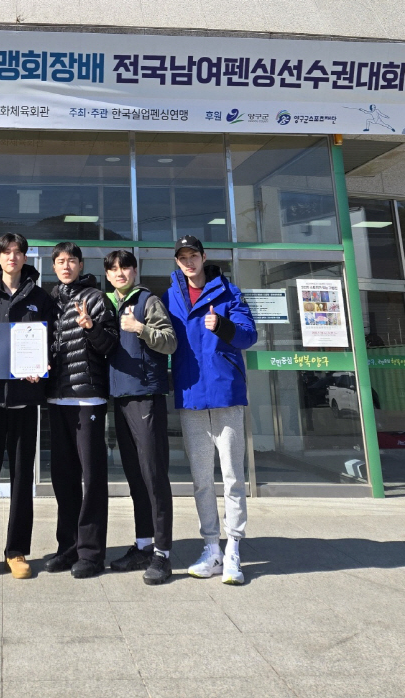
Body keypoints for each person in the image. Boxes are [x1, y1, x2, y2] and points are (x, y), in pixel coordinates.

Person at [163, 235, 257, 586]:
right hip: (190, 395)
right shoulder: (169, 296)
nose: (188, 262)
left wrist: (224, 326)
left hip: (225, 393)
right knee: (201, 480)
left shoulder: (228, 292)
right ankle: (210, 547)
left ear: (204, 257)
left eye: (193, 256)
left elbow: (249, 336)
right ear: (177, 261)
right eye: (182, 257)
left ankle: (233, 547)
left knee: (233, 477)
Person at [0, 233, 55, 581]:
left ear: (25, 257)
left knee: (21, 480)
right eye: (7, 253)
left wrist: (41, 369)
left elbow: (50, 344)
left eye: (19, 253)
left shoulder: (40, 298)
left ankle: (16, 551)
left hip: (24, 399)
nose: (13, 258)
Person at [45, 242, 118, 578]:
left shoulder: (95, 298)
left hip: (87, 398)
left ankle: (91, 553)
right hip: (57, 399)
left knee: (92, 478)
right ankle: (68, 547)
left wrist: (91, 327)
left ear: (80, 264)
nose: (65, 265)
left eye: (71, 260)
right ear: (54, 266)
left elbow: (110, 346)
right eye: (60, 261)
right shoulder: (49, 300)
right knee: (63, 479)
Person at [104, 250, 177, 585]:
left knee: (153, 476)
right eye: (114, 269)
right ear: (107, 274)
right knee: (134, 475)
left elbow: (170, 342)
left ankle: (163, 553)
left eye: (125, 268)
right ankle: (144, 544)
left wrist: (140, 327)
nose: (120, 274)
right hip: (120, 396)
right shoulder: (107, 303)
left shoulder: (149, 302)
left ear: (134, 271)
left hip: (146, 397)